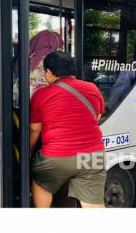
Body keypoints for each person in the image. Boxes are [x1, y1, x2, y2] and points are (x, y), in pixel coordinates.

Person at [30, 51, 107, 208]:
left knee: (41, 183)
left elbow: (34, 129)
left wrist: (29, 152)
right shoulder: (92, 88)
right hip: (93, 156)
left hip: (57, 156)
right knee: (93, 207)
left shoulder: (40, 95)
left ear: (49, 73)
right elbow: (97, 117)